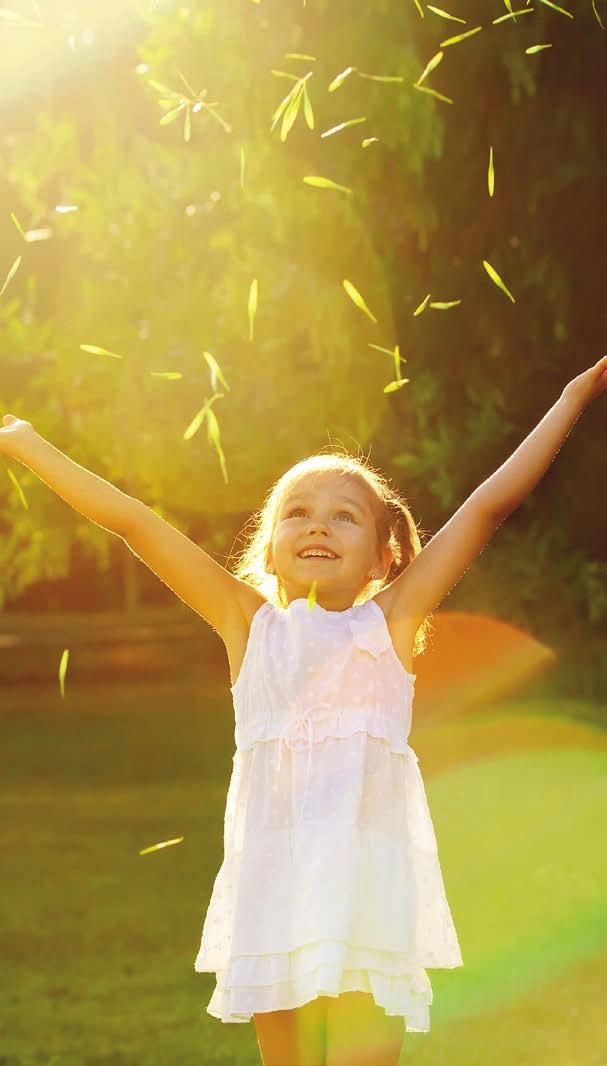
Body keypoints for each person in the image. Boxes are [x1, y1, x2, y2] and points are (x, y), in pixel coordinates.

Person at [1, 354, 605, 1066]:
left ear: (384, 557)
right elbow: (134, 523)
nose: (317, 526)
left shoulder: (391, 620)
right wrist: (24, 440)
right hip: (275, 885)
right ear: (269, 545)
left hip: (366, 890)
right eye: (297, 512)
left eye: (343, 517)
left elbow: (486, 506)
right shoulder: (245, 622)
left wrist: (571, 395)